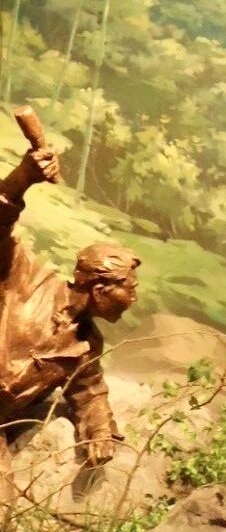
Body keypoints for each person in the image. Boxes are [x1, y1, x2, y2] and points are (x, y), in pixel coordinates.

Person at [0, 145, 141, 505]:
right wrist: (22, 178)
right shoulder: (25, 278)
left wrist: (99, 430)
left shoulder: (86, 344)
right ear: (100, 289)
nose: (134, 299)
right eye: (130, 290)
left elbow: (89, 392)